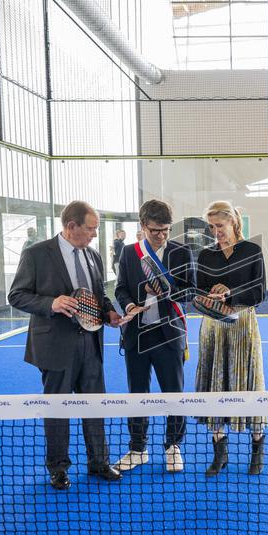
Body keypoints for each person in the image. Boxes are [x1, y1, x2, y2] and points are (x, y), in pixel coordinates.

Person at [8, 200, 124, 490]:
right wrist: (51, 303)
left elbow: (99, 295)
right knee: (57, 408)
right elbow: (17, 295)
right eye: (91, 229)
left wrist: (108, 312)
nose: (95, 235)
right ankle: (58, 468)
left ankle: (99, 462)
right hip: (55, 347)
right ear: (71, 226)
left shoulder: (93, 256)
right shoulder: (36, 254)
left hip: (92, 344)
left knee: (95, 406)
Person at [113, 201, 195, 473]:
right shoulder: (128, 253)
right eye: (155, 230)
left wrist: (166, 291)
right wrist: (129, 306)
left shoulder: (181, 252)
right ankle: (138, 449)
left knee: (174, 394)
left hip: (169, 335)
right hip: (137, 335)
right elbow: (121, 289)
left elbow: (190, 292)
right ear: (143, 226)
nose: (161, 236)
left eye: (166, 230)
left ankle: (173, 447)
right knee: (137, 394)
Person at [195, 201, 267, 476]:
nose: (216, 232)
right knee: (215, 387)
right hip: (212, 327)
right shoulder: (205, 255)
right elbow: (198, 291)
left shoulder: (252, 251)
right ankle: (220, 453)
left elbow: (258, 293)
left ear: (234, 222)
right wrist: (206, 296)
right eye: (212, 227)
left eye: (220, 226)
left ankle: (257, 449)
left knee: (250, 386)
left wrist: (230, 294)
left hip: (243, 325)